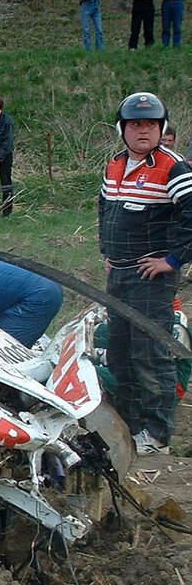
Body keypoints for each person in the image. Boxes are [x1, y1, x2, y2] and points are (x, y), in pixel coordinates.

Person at [98, 91, 192, 455]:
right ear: (123, 128)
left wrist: (172, 260)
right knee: (119, 352)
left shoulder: (173, 167)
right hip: (118, 275)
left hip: (151, 279)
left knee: (150, 354)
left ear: (161, 127)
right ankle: (129, 426)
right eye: (136, 124)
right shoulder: (114, 165)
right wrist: (106, 251)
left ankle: (157, 434)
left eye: (151, 124)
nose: (143, 131)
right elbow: (104, 208)